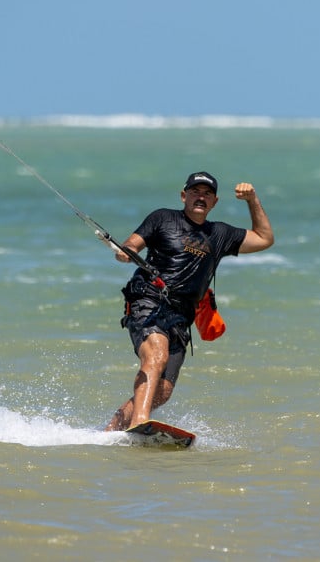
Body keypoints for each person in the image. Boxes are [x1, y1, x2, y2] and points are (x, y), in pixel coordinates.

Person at [105, 171, 275, 431]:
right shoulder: (163, 218)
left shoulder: (220, 234)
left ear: (215, 202)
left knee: (163, 391)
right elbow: (132, 244)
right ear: (184, 195)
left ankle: (114, 428)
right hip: (148, 301)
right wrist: (126, 253)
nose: (200, 197)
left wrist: (252, 199)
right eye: (195, 191)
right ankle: (140, 423)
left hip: (181, 316)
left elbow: (264, 239)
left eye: (207, 194)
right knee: (155, 357)